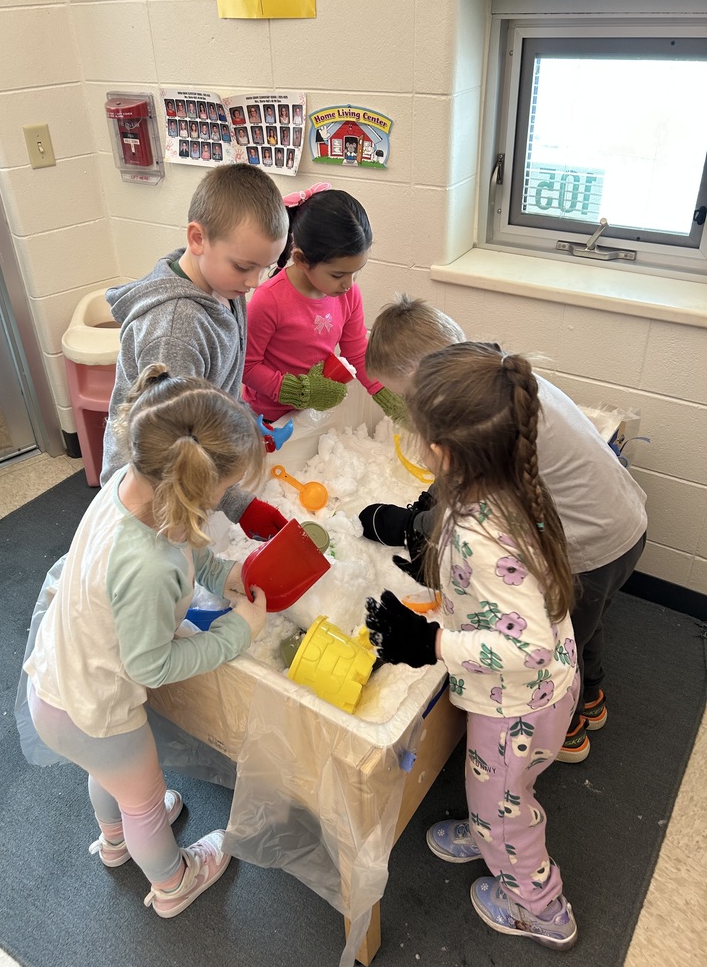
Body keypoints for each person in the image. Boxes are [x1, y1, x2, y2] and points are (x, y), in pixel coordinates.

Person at [24, 365, 268, 919]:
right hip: (99, 713)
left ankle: (114, 841)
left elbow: (183, 539)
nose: (222, 500)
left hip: (58, 687)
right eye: (224, 490)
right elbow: (152, 664)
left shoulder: (127, 486)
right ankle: (173, 883)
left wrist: (218, 574)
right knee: (144, 801)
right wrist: (236, 633)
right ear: (191, 488)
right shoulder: (150, 566)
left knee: (110, 779)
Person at [360, 295, 647, 762]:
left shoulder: (491, 431)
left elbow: (476, 507)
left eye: (409, 398)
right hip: (623, 524)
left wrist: (413, 525)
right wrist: (428, 505)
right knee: (585, 627)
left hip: (589, 548)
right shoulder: (500, 382)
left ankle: (564, 730)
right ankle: (592, 696)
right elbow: (462, 475)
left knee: (562, 637)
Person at [365, 343, 580, 949]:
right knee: (502, 789)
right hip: (534, 694)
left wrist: (433, 641)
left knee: (507, 803)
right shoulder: (508, 486)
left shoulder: (487, 529)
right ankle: (490, 819)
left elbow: (528, 644)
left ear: (447, 452)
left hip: (520, 702)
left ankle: (539, 905)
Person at [101, 163, 290, 542]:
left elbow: (219, 385)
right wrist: (237, 502)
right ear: (198, 239)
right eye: (244, 267)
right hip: (154, 495)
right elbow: (178, 450)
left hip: (191, 480)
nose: (253, 283)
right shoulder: (176, 332)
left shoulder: (222, 286)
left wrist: (242, 420)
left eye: (264, 269)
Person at [242, 185, 405, 423]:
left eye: (356, 272)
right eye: (338, 275)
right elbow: (247, 367)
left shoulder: (348, 295)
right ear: (301, 260)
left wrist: (384, 393)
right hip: (266, 417)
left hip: (311, 412)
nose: (348, 284)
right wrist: (298, 391)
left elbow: (356, 352)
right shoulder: (269, 300)